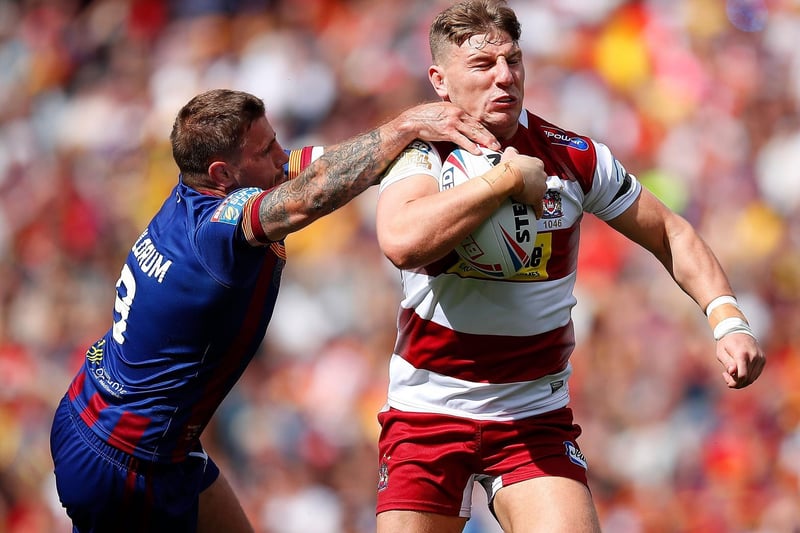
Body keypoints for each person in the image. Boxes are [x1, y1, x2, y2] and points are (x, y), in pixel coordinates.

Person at [48, 87, 526, 533]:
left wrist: (408, 150)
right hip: (126, 462)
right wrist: (406, 129)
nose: (282, 157)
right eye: (265, 152)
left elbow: (307, 167)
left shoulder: (195, 193)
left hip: (109, 423)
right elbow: (312, 194)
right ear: (222, 173)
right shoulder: (215, 235)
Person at [373, 1, 767, 532]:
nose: (504, 78)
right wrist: (505, 182)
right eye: (483, 67)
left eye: (513, 61)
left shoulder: (574, 156)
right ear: (440, 81)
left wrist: (728, 320)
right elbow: (402, 242)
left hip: (532, 418)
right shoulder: (421, 153)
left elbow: (670, 231)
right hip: (426, 414)